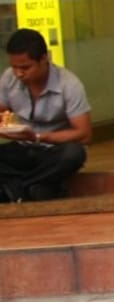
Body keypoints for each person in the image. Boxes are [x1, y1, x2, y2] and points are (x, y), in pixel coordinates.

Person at [0, 28, 91, 203]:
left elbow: (84, 134)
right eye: (14, 67)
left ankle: (17, 188)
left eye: (25, 67)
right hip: (21, 148)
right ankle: (37, 186)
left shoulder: (69, 84)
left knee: (74, 154)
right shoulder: (8, 78)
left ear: (44, 59)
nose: (19, 73)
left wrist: (39, 137)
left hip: (53, 150)